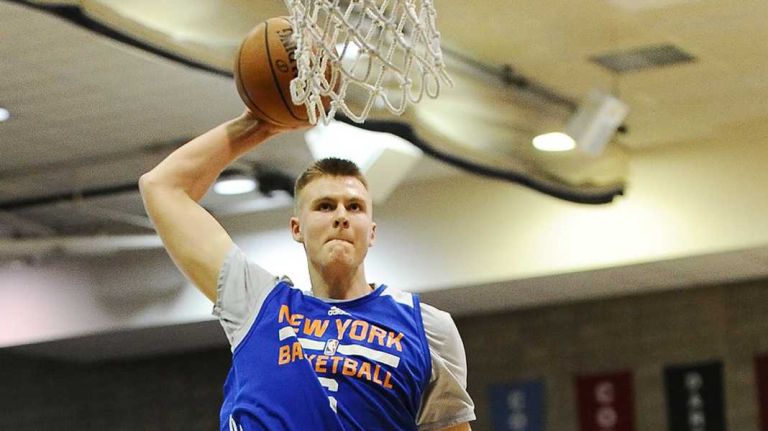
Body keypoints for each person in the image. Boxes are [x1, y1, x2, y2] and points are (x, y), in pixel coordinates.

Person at [139, 110, 475, 431]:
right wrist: (259, 125)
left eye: (354, 207)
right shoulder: (257, 304)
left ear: (371, 231)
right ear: (297, 228)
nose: (341, 216)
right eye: (325, 206)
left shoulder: (428, 328)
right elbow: (161, 187)